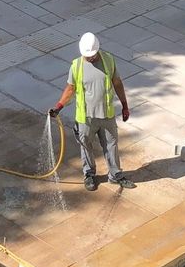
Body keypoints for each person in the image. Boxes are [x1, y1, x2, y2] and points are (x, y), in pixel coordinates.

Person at [48, 33, 134, 191]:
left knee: (111, 145)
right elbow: (70, 89)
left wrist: (125, 105)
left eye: (92, 55)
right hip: (86, 118)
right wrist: (59, 106)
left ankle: (115, 175)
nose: (90, 58)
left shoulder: (108, 60)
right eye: (87, 56)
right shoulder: (76, 66)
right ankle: (89, 175)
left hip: (106, 115)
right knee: (85, 145)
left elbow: (117, 83)